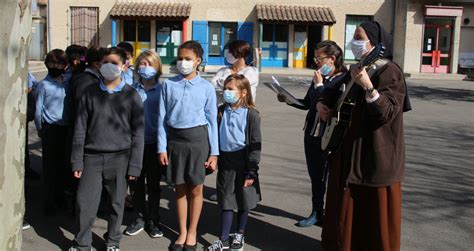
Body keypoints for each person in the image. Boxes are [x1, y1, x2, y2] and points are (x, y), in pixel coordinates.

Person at [317, 21, 410, 251]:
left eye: (359, 37)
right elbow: (333, 90)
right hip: (348, 152)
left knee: (372, 216)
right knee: (345, 212)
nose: (354, 41)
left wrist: (369, 86)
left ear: (376, 43)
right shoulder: (358, 67)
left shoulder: (390, 71)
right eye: (354, 36)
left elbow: (386, 113)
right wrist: (322, 103)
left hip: (375, 156)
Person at [69, 47, 144, 251]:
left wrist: (135, 166)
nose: (109, 66)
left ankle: (112, 241)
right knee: (85, 203)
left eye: (114, 63)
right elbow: (80, 128)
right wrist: (77, 160)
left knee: (117, 203)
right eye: (105, 62)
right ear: (99, 65)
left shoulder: (131, 96)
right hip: (91, 157)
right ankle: (82, 242)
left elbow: (138, 133)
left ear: (123, 66)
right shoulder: (89, 93)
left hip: (120, 158)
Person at [277, 40, 347, 227]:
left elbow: (330, 107)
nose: (316, 62)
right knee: (316, 176)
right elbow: (309, 103)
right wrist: (289, 100)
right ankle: (317, 212)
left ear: (332, 59)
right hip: (311, 134)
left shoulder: (344, 80)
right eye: (315, 58)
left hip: (330, 137)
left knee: (331, 177)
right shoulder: (319, 77)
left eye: (319, 58)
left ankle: (333, 215)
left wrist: (319, 86)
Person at [158, 40, 218, 251]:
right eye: (180, 58)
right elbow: (162, 118)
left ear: (198, 61)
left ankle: (192, 231)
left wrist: (215, 153)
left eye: (188, 59)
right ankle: (182, 231)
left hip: (198, 142)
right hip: (175, 142)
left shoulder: (206, 87)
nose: (183, 62)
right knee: (180, 189)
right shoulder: (168, 84)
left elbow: (212, 121)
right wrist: (162, 147)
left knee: (196, 189)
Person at [207, 74, 262, 251]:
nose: (226, 92)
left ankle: (239, 233)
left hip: (244, 163)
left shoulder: (252, 115)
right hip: (226, 161)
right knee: (226, 201)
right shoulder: (221, 110)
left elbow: (255, 143)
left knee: (243, 200)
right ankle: (222, 240)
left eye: (231, 89)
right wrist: (212, 156)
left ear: (243, 92)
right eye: (225, 88)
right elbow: (213, 136)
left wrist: (252, 169)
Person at [124, 50, 165, 238]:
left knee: (154, 184)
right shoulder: (131, 90)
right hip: (135, 144)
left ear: (157, 67)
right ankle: (139, 217)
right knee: (136, 183)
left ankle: (153, 220)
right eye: (142, 64)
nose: (145, 68)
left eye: (150, 64)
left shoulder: (163, 89)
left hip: (156, 144)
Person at [34, 49, 71, 215]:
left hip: (66, 129)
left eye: (59, 63)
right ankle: (48, 203)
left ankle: (60, 198)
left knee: (63, 167)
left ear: (65, 65)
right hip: (50, 129)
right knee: (49, 167)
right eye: (51, 63)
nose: (55, 66)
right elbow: (38, 111)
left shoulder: (68, 82)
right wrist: (40, 129)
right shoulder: (43, 85)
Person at [211, 40, 259, 104]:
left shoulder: (251, 72)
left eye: (230, 52)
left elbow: (239, 86)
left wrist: (222, 85)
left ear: (239, 54)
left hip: (243, 110)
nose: (227, 54)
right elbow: (212, 85)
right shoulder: (222, 70)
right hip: (222, 111)